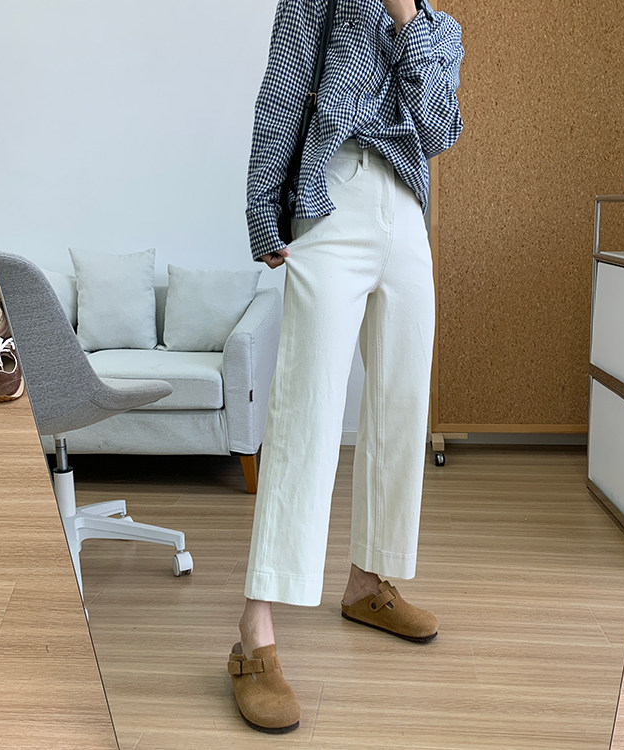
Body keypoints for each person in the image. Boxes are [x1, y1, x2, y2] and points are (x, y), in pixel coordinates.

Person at [228, 0, 464, 734]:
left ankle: (369, 581)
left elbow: (438, 130)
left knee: (400, 403)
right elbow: (285, 85)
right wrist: (264, 206)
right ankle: (254, 634)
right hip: (332, 197)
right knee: (306, 410)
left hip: (407, 212)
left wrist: (406, 19)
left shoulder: (440, 28)